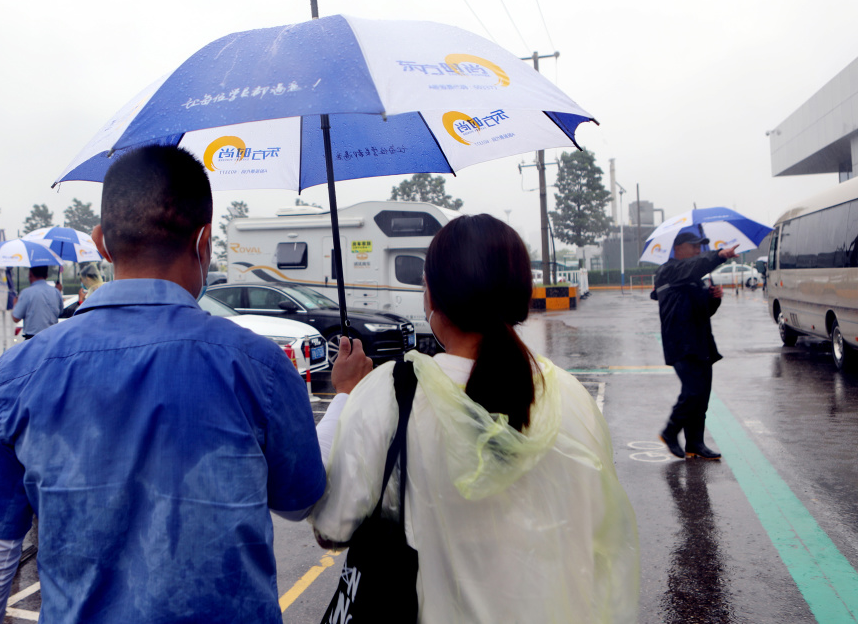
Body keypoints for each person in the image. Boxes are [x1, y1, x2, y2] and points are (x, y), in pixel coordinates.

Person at [0, 145, 326, 623]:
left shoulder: (22, 372)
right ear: (204, 242)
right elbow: (298, 504)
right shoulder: (261, 366)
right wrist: (346, 397)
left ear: (102, 243)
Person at [309, 214, 640, 623]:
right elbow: (598, 535)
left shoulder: (393, 393)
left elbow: (332, 527)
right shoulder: (572, 397)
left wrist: (346, 395)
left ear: (432, 296)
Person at [651, 229, 738, 460]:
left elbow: (704, 312)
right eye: (694, 246)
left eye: (700, 247)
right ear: (678, 248)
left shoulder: (693, 278)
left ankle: (694, 444)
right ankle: (670, 431)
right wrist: (719, 255)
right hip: (680, 343)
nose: (698, 250)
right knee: (693, 392)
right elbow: (694, 267)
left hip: (700, 344)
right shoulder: (669, 271)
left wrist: (713, 299)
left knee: (702, 397)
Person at [11, 265, 63, 339]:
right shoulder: (56, 292)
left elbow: (16, 318)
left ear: (30, 274)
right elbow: (60, 312)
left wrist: (15, 304)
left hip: (32, 339)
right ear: (46, 275)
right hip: (52, 338)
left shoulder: (26, 293)